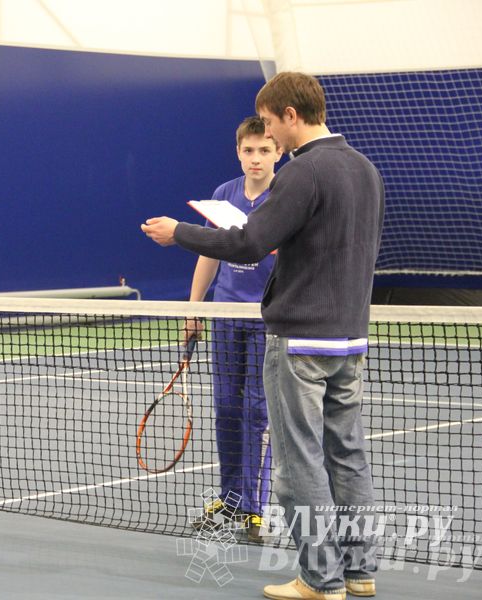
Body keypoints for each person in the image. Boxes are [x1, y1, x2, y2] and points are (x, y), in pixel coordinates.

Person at [142, 72, 383, 600]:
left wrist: (179, 233)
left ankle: (320, 580)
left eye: (271, 123)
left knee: (298, 465)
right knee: (347, 456)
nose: (268, 133)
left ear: (291, 116)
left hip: (299, 342)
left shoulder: (301, 173)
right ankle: (359, 571)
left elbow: (250, 242)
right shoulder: (365, 169)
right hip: (350, 340)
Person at [186, 116, 281, 543]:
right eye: (248, 150)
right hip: (225, 315)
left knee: (256, 412)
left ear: (279, 152)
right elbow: (210, 252)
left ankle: (254, 508)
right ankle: (230, 497)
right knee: (226, 408)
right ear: (238, 152)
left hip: (266, 319)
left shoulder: (285, 195)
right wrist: (194, 308)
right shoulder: (225, 193)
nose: (256, 158)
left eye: (264, 150)